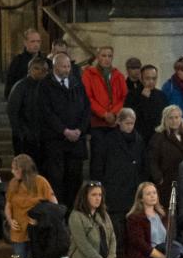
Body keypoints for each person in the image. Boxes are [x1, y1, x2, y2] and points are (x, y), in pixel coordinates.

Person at [38, 53, 89, 213]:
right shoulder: (45, 85)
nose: (67, 70)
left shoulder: (77, 83)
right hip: (56, 142)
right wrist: (64, 130)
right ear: (55, 67)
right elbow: (46, 113)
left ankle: (73, 215)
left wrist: (79, 130)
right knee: (56, 180)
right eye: (63, 67)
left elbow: (86, 109)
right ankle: (58, 214)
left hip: (76, 142)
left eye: (68, 66)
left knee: (75, 180)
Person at [90, 107, 143, 254]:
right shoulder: (109, 140)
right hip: (114, 184)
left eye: (132, 123)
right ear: (119, 122)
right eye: (127, 123)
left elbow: (141, 162)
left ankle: (128, 248)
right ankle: (116, 249)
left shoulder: (138, 139)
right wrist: (100, 184)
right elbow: (99, 163)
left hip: (132, 184)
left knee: (131, 217)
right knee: (115, 218)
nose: (130, 126)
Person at [4, 153, 56, 258]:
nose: (12, 171)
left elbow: (54, 205)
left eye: (15, 169)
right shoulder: (13, 183)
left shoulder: (41, 181)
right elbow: (8, 205)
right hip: (19, 230)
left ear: (24, 169)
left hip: (38, 231)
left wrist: (42, 220)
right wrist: (9, 220)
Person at [80, 46, 126, 164]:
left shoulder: (118, 75)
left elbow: (123, 97)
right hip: (97, 123)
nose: (107, 59)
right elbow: (88, 97)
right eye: (103, 55)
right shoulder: (88, 74)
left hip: (114, 122)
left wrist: (114, 114)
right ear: (97, 57)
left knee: (113, 158)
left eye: (109, 56)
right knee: (98, 158)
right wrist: (104, 114)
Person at [146, 104, 183, 208]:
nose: (174, 121)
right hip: (167, 183)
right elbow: (152, 161)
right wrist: (159, 179)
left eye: (177, 117)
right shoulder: (158, 138)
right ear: (165, 119)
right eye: (171, 118)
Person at [7, 57, 49, 167]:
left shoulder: (48, 87)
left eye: (44, 70)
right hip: (25, 137)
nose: (40, 72)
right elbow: (13, 112)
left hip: (44, 136)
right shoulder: (20, 87)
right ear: (29, 70)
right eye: (37, 69)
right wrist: (21, 133)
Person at [131, 65, 168, 144]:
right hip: (139, 139)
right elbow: (132, 117)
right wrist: (143, 99)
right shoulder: (132, 95)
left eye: (154, 78)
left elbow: (165, 118)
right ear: (141, 78)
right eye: (147, 78)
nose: (151, 81)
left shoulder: (161, 95)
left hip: (158, 138)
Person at [4, 28, 44, 98]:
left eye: (38, 41)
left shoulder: (46, 61)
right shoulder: (17, 62)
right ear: (25, 43)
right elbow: (10, 85)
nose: (36, 44)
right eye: (33, 41)